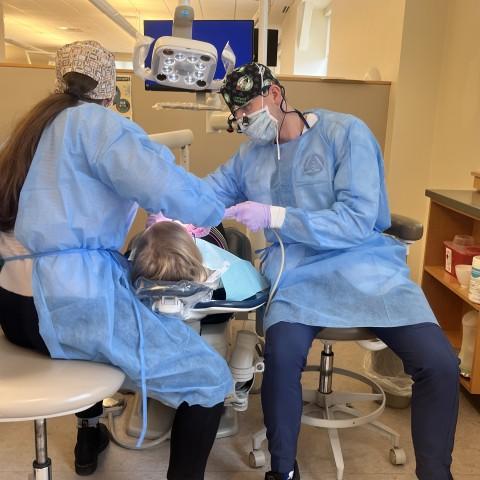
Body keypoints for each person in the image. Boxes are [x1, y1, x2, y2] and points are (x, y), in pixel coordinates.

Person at [205, 63, 459, 480]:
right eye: (236, 115)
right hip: (297, 272)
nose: (243, 121)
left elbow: (357, 219)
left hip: (363, 265)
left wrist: (275, 214)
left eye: (247, 108)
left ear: (276, 94)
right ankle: (283, 470)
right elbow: (208, 191)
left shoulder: (345, 134)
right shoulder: (250, 157)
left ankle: (436, 473)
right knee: (283, 357)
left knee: (439, 364)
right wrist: (172, 210)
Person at [0, 40, 233, 480]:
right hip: (65, 308)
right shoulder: (100, 125)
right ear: (110, 93)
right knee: (209, 379)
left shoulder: (29, 130)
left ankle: (88, 434)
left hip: (12, 306)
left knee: (102, 326)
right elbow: (185, 197)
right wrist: (214, 208)